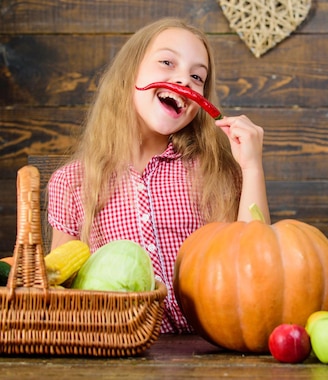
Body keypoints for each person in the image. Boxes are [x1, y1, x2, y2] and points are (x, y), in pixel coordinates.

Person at [47, 18, 270, 333]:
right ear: (130, 73)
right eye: (167, 62)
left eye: (197, 76)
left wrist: (251, 167)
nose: (184, 80)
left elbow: (260, 265)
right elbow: (59, 285)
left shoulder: (216, 171)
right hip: (117, 348)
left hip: (210, 352)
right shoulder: (73, 182)